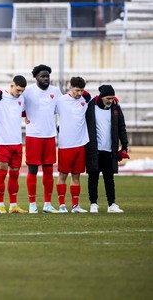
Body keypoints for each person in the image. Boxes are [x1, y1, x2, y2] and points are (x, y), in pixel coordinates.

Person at [21, 64, 62, 214]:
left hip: (50, 135)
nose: (46, 79)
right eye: (42, 76)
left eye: (47, 76)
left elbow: (63, 108)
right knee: (32, 170)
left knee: (49, 170)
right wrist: (24, 116)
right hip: (33, 136)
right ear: (36, 77)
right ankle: (32, 204)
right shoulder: (28, 92)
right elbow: (17, 106)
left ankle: (47, 204)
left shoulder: (56, 91)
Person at [85, 85, 129, 213]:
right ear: (101, 97)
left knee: (109, 179)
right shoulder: (91, 105)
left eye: (112, 98)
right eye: (108, 98)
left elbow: (122, 126)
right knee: (93, 178)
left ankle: (112, 204)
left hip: (110, 150)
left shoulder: (115, 107)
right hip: (94, 149)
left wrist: (124, 145)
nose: (110, 100)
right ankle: (93, 203)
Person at [0, 75, 28, 214]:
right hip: (3, 143)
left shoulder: (22, 99)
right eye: (18, 90)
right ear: (12, 85)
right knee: (1, 174)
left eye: (22, 91)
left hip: (17, 143)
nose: (19, 93)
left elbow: (26, 111)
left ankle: (13, 205)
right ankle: (0, 205)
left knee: (14, 175)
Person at [55, 77, 91, 213]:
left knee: (76, 175)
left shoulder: (85, 101)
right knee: (63, 175)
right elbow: (45, 111)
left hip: (80, 144)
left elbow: (99, 102)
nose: (80, 93)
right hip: (65, 144)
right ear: (70, 87)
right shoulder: (60, 101)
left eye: (82, 90)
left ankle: (75, 205)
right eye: (77, 90)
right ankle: (62, 205)